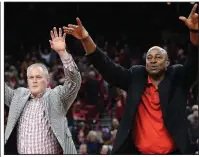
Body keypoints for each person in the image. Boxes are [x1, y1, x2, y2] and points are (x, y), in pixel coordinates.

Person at [63, 4, 198, 154]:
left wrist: (194, 31)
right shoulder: (136, 76)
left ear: (167, 64)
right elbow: (108, 68)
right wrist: (86, 39)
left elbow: (195, 62)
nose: (153, 60)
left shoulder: (177, 77)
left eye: (158, 57)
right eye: (149, 58)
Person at [4, 27, 81, 154]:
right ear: (27, 80)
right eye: (31, 77)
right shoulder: (17, 96)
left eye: (38, 77)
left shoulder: (57, 96)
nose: (34, 80)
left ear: (47, 80)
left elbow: (74, 83)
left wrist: (63, 53)